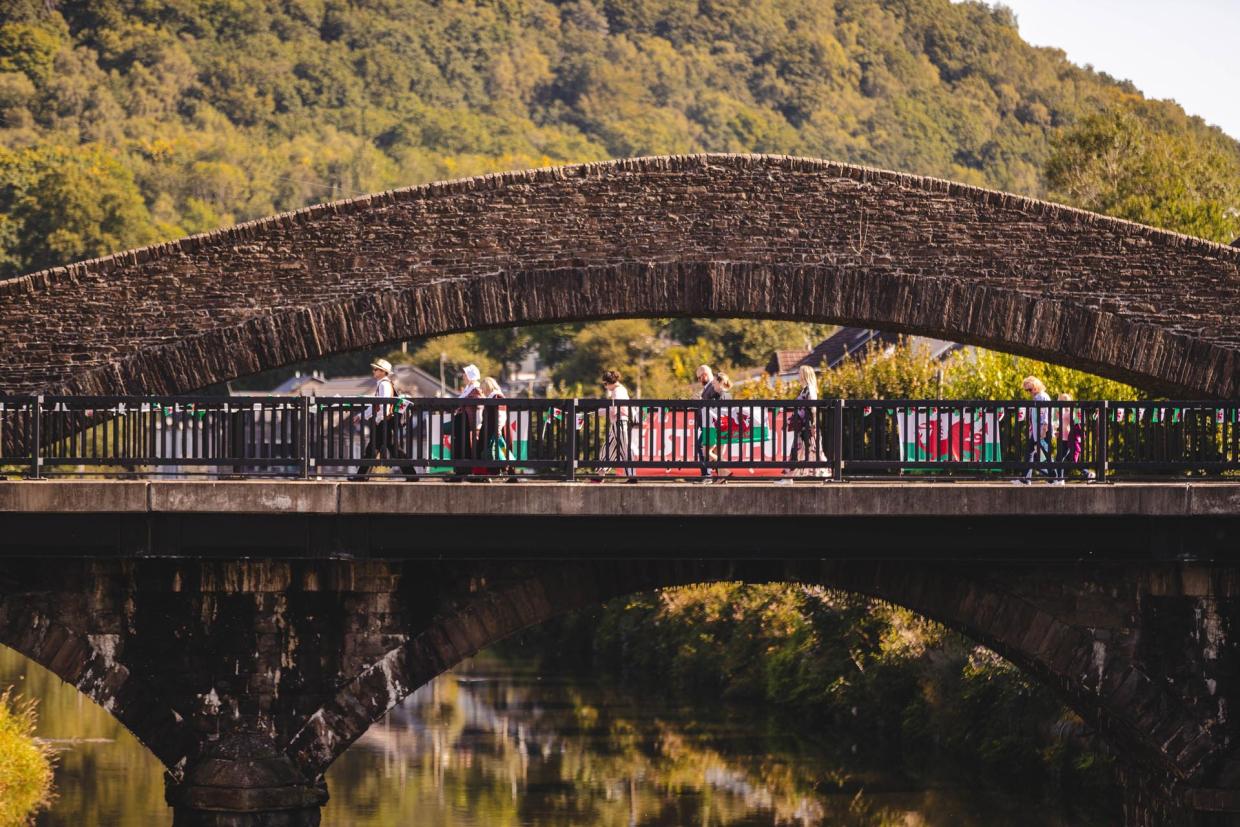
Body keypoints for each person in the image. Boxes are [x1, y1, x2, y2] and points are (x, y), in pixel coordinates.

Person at [350, 358, 417, 480]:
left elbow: (384, 405)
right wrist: (361, 416)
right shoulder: (384, 384)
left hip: (384, 422)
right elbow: (377, 405)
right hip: (385, 422)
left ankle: (361, 476)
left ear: (382, 371)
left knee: (381, 449)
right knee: (378, 449)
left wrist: (379, 419)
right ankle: (361, 476)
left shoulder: (384, 384)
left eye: (376, 369)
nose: (373, 371)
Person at [777, 365, 824, 483]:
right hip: (803, 425)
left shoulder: (810, 388)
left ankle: (789, 477)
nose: (798, 376)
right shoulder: (805, 389)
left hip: (807, 425)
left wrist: (813, 423)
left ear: (805, 375)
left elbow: (813, 407)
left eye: (800, 373)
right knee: (803, 450)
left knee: (809, 450)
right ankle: (789, 477)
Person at [598, 369, 637, 482]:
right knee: (608, 448)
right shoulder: (621, 390)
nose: (605, 387)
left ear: (609, 383)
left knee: (625, 448)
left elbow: (615, 409)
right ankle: (600, 474)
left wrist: (600, 411)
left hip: (621, 422)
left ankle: (632, 476)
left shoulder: (617, 391)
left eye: (605, 384)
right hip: (618, 422)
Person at [1014, 375, 1052, 484]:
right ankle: (1027, 478)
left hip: (1041, 430)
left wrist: (1044, 428)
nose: (1029, 392)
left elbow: (1047, 412)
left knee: (1045, 453)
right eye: (1027, 390)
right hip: (1036, 431)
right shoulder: (1037, 397)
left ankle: (1054, 476)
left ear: (1035, 386)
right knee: (1030, 453)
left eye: (1029, 389)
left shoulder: (1042, 397)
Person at [450, 364, 483, 480]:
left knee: (465, 446)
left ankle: (464, 473)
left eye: (465, 374)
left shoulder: (476, 388)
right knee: (459, 445)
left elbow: (479, 403)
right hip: (462, 420)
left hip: (467, 421)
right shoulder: (469, 388)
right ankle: (459, 472)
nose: (463, 376)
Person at [479, 377, 515, 479]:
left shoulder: (497, 396)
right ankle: (506, 474)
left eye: (483, 388)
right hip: (493, 428)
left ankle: (509, 475)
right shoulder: (494, 396)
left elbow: (501, 415)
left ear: (487, 387)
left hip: (496, 429)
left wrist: (498, 429)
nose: (482, 391)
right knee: (501, 451)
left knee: (501, 451)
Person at [694, 364, 721, 482]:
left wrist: (700, 401)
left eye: (699, 378)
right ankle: (718, 474)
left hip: (711, 425)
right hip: (709, 424)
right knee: (706, 449)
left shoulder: (712, 387)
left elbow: (714, 405)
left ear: (705, 375)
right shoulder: (709, 387)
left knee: (702, 447)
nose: (699, 380)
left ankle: (708, 475)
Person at [1052, 392, 1083, 485]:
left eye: (1064, 400)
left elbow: (1075, 423)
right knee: (1064, 458)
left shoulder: (1071, 411)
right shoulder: (1061, 411)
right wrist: (1056, 431)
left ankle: (1060, 479)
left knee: (1064, 458)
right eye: (1061, 400)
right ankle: (1060, 478)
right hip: (1062, 437)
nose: (1062, 402)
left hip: (1069, 438)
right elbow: (1057, 422)